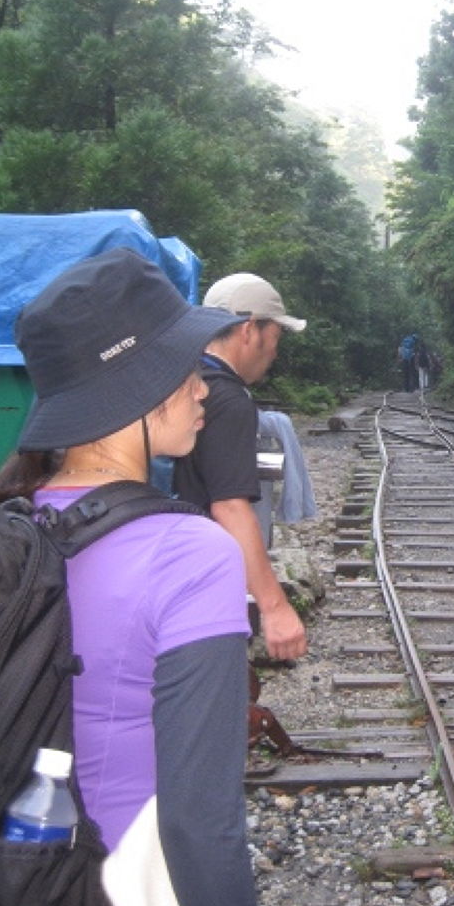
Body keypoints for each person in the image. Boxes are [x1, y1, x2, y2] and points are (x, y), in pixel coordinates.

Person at [0, 247, 291, 906]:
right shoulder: (189, 554)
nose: (201, 386)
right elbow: (201, 818)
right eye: (184, 366)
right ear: (135, 389)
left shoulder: (10, 527)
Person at [172, 273, 308, 663]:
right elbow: (230, 508)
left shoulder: (180, 377)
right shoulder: (229, 400)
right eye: (276, 339)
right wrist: (275, 607)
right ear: (250, 330)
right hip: (198, 577)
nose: (275, 353)